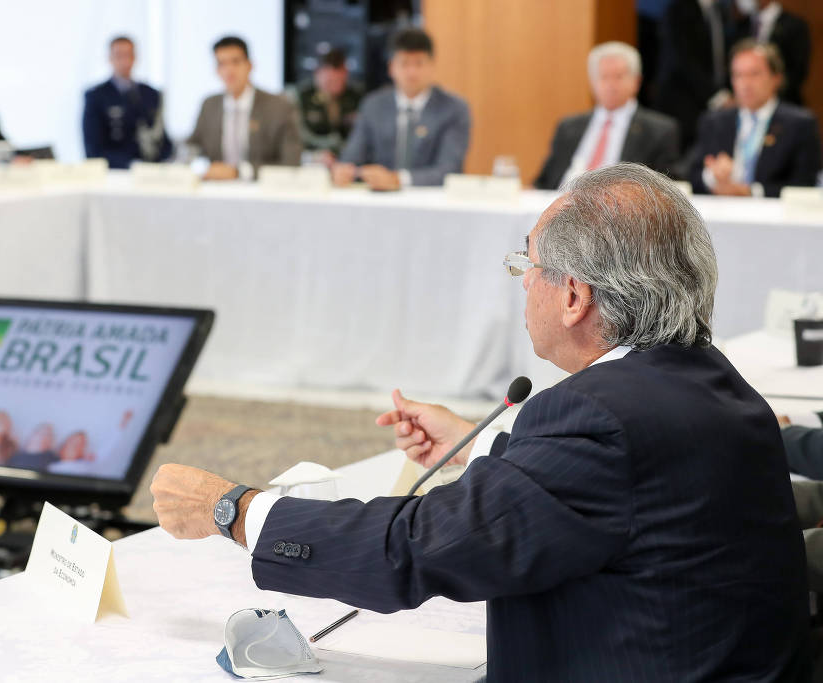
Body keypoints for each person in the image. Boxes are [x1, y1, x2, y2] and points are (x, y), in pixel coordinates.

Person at [150, 163, 810, 680]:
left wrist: (234, 508)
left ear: (575, 295)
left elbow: (413, 548)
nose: (524, 283)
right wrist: (486, 444)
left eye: (530, 266)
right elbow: (614, 488)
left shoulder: (599, 417)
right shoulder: (716, 384)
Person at [333, 28, 470, 190]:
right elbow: (352, 157)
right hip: (379, 203)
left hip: (432, 203)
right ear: (391, 67)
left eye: (419, 63)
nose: (412, 72)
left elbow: (449, 170)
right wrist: (345, 171)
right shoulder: (373, 106)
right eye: (404, 63)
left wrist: (397, 180)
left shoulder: (453, 109)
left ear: (432, 66)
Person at [534, 42, 680, 190]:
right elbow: (544, 181)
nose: (611, 85)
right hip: (564, 203)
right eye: (603, 77)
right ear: (592, 82)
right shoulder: (568, 127)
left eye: (618, 77)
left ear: (636, 81)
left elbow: (666, 189)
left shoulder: (658, 131)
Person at [690, 39, 821, 198]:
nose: (745, 83)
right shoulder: (714, 122)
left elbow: (805, 185)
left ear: (776, 78)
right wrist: (712, 176)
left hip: (776, 217)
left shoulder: (799, 124)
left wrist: (750, 192)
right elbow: (691, 176)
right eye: (738, 75)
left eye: (754, 74)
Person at [186, 36, 302, 180]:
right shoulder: (209, 105)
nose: (229, 70)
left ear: (249, 65)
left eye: (235, 62)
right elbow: (191, 149)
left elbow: (291, 162)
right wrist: (201, 167)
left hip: (261, 192)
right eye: (222, 64)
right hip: (214, 189)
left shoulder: (279, 106)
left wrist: (239, 172)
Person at [654, 0, 736, 149]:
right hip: (682, 105)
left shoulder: (719, 11)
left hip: (711, 107)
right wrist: (718, 96)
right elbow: (682, 61)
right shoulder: (678, 10)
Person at [83, 35, 172, 168]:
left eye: (129, 55)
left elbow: (161, 137)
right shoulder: (97, 95)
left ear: (135, 57)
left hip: (152, 170)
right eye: (119, 55)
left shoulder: (151, 94)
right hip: (116, 171)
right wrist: (131, 165)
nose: (125, 61)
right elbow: (93, 148)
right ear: (110, 58)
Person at [738, 0, 812, 106]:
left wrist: (767, 93)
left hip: (785, 102)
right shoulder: (741, 26)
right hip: (747, 105)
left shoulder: (796, 25)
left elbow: (798, 70)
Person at [295, 48, 363, 159]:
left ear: (346, 74)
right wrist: (318, 154)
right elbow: (299, 135)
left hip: (349, 159)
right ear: (317, 74)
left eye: (339, 81)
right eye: (330, 81)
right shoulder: (301, 97)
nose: (334, 86)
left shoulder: (357, 97)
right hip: (313, 159)